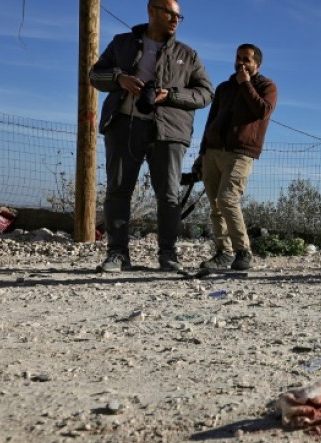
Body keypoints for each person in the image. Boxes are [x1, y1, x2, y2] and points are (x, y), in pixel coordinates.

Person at [90, 1, 213, 272]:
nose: (175, 20)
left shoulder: (188, 54)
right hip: (124, 126)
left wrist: (171, 95)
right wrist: (120, 78)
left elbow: (205, 93)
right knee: (118, 191)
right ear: (152, 10)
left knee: (169, 195)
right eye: (171, 13)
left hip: (170, 131)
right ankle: (117, 254)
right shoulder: (122, 43)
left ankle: (168, 255)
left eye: (179, 16)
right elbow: (95, 75)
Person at [194, 44, 278, 271]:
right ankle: (224, 252)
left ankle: (244, 251)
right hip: (213, 151)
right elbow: (211, 120)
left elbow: (262, 111)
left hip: (241, 152)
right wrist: (202, 154)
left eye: (246, 60)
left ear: (256, 64)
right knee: (215, 205)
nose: (241, 63)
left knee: (227, 199)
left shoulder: (266, 86)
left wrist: (246, 84)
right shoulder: (223, 89)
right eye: (238, 58)